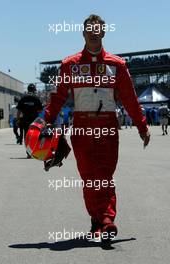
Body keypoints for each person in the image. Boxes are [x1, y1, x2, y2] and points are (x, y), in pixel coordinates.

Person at [44, 14, 150, 243]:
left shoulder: (116, 65)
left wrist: (142, 125)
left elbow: (130, 98)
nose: (94, 33)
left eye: (98, 29)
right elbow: (58, 97)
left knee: (104, 175)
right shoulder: (69, 65)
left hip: (108, 126)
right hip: (82, 127)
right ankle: (98, 220)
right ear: (83, 33)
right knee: (89, 176)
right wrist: (45, 122)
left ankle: (106, 219)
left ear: (103, 32)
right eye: (89, 29)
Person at [17, 83, 43, 157]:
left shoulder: (23, 98)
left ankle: (28, 152)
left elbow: (19, 111)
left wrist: (18, 119)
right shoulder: (36, 98)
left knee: (27, 136)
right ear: (34, 90)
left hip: (25, 119)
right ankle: (34, 151)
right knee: (35, 135)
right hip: (34, 120)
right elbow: (40, 110)